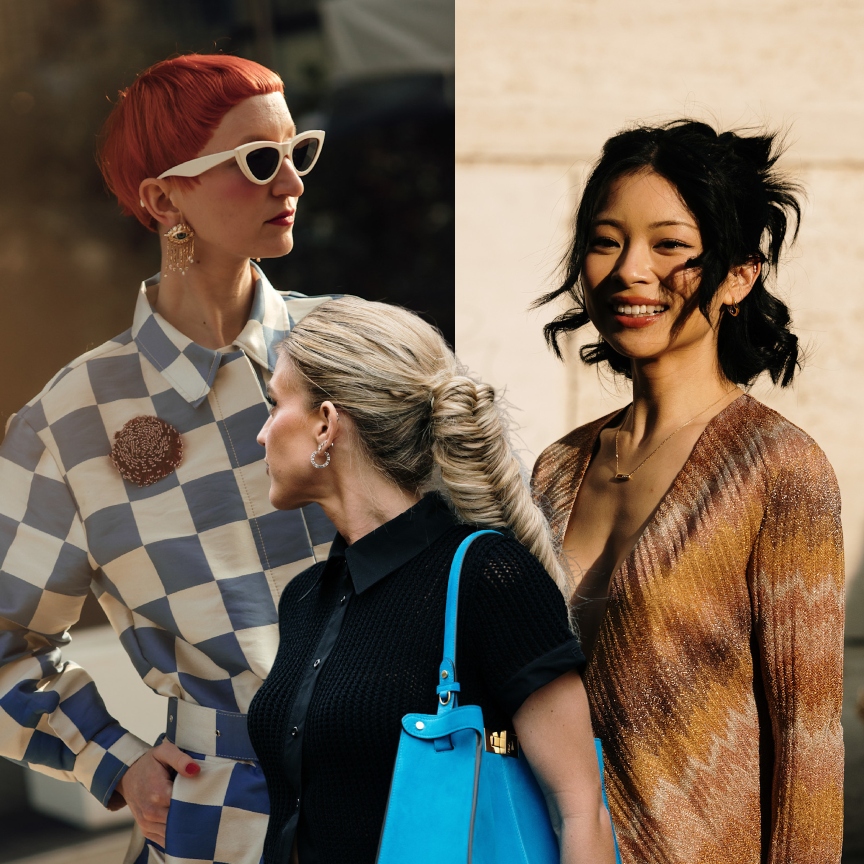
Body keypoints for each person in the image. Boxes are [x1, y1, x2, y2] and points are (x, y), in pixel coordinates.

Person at [0, 54, 336, 864]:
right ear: (162, 199)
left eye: (299, 151)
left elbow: (481, 553)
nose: (289, 182)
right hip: (220, 823)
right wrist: (112, 761)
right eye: (258, 161)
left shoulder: (357, 353)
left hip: (404, 796)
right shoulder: (68, 421)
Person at [532, 120, 844, 863]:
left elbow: (810, 746)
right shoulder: (554, 469)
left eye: (668, 245)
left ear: (738, 274)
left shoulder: (781, 470)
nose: (630, 270)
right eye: (606, 242)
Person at [247, 296, 617, 864]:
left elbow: (580, 809)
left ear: (325, 424)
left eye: (274, 405)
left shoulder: (485, 577)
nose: (262, 434)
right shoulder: (304, 598)